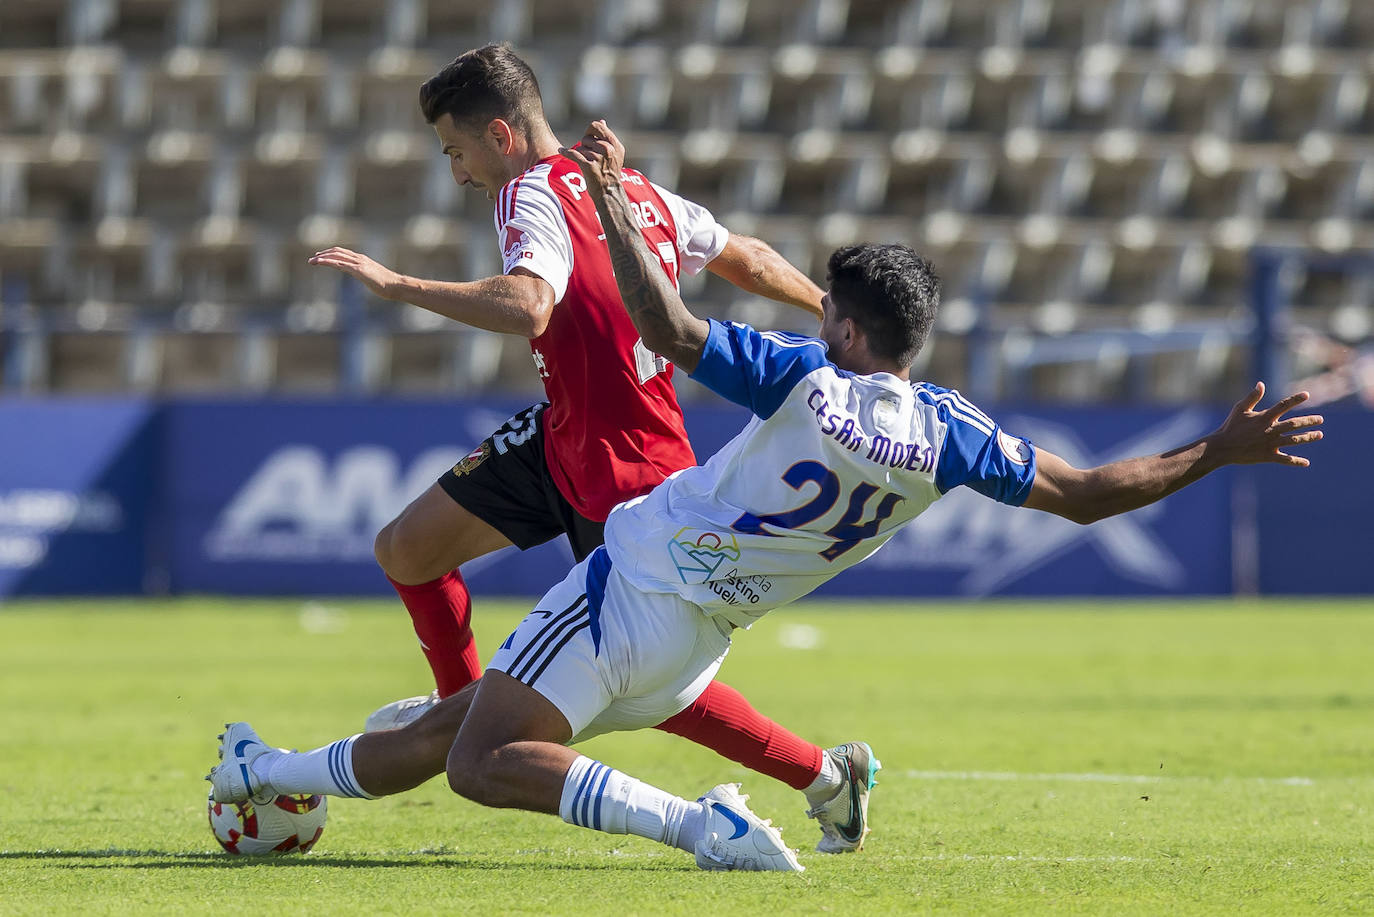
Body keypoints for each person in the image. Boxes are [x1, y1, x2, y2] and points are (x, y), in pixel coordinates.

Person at [214, 122, 1324, 872]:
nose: (817, 322)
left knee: (477, 760)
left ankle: (706, 825)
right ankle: (266, 774)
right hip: (705, 638)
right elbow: (1087, 494)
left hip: (632, 585)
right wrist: (1213, 452)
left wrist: (606, 200)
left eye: (826, 309)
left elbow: (666, 328)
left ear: (846, 329)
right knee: (457, 725)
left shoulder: (802, 376)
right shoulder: (945, 434)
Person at [307, 45, 879, 852]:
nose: (458, 172)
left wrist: (400, 286)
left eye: (456, 151)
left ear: (500, 135)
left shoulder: (525, 193)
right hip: (560, 428)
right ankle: (455, 704)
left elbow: (529, 304)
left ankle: (824, 773)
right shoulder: (633, 190)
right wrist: (830, 312)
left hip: (627, 464)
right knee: (408, 547)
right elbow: (740, 254)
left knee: (659, 686)